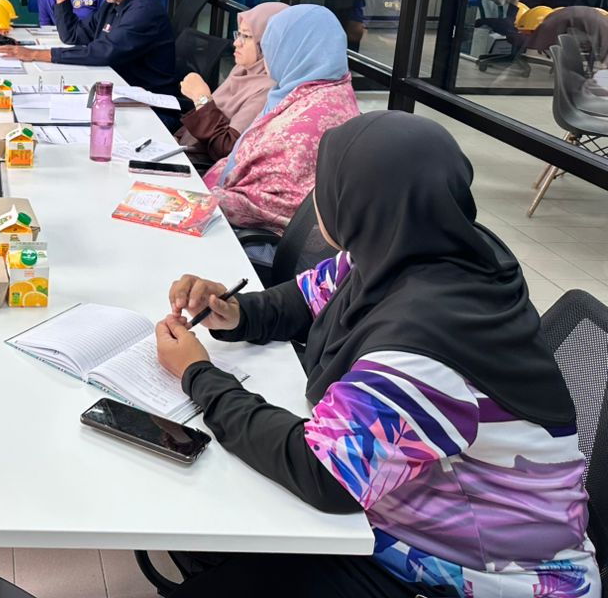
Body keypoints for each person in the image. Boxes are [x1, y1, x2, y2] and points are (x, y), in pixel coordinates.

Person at [155, 111, 597, 598]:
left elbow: (324, 474)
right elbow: (304, 298)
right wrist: (233, 311)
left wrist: (198, 374)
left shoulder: (424, 348)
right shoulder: (415, 248)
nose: (316, 196)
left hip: (476, 577)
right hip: (410, 522)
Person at [204, 4, 358, 232]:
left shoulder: (312, 117)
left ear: (294, 50)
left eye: (272, 47)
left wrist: (204, 198)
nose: (268, 55)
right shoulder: (308, 91)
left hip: (253, 237)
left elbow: (274, 201)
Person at [0, 0, 176, 98]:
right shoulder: (113, 4)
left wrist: (35, 54)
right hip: (118, 88)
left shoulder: (145, 10)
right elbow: (72, 35)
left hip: (149, 101)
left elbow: (104, 52)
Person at [175, 1, 287, 163]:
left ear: (268, 43)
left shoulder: (268, 88)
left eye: (246, 36)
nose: (236, 43)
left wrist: (201, 99)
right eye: (238, 34)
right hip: (185, 150)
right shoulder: (242, 69)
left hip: (204, 167)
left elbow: (227, 148)